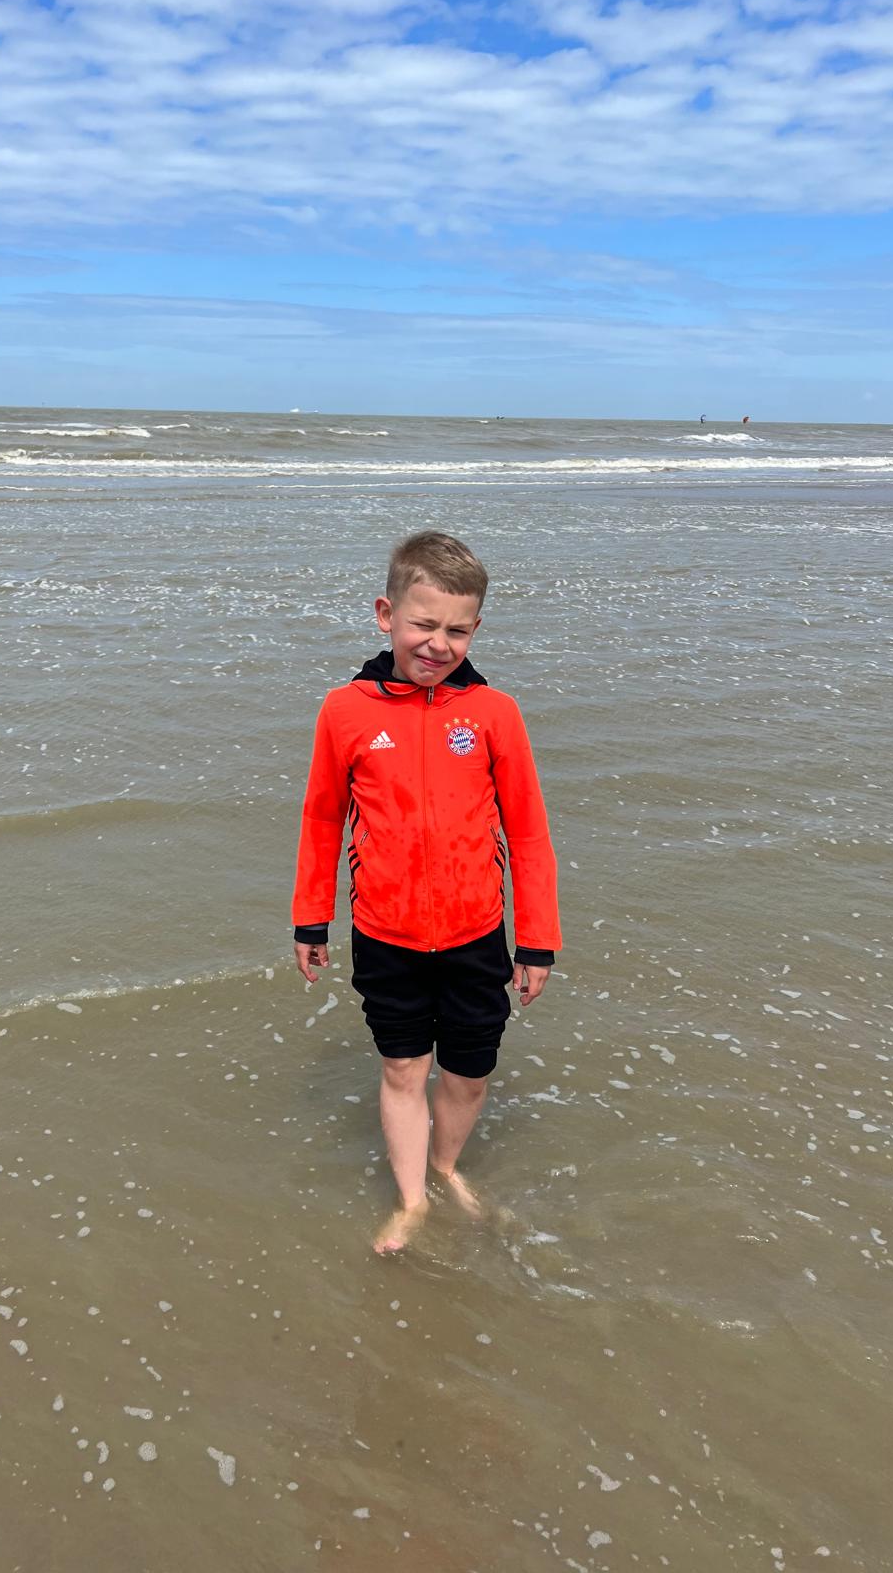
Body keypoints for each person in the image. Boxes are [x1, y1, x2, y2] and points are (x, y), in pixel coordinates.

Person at [291, 532, 561, 1253]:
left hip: (477, 932)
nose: (438, 644)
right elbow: (322, 820)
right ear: (386, 614)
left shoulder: (495, 713)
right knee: (403, 1068)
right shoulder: (344, 711)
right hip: (386, 933)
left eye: (458, 630)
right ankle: (412, 1201)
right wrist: (311, 920)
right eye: (423, 624)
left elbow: (529, 832)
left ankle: (447, 1167)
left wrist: (537, 939)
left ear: (476, 629)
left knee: (469, 1074)